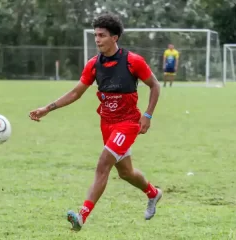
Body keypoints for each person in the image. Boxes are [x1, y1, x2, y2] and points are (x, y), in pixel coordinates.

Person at [29, 13, 162, 231]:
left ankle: (82, 215)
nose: (97, 40)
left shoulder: (133, 61)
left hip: (128, 123)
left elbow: (155, 86)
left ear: (115, 37)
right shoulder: (93, 65)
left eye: (102, 35)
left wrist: (147, 115)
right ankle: (153, 193)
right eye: (95, 35)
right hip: (107, 124)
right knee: (126, 172)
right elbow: (75, 93)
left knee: (103, 165)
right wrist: (47, 108)